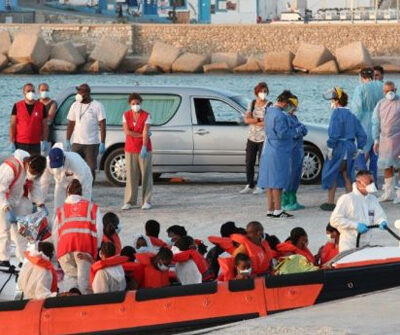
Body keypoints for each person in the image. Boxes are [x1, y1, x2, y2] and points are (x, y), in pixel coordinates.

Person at [52, 179, 103, 294]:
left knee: (71, 279)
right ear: (81, 192)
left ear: (67, 193)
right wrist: (97, 248)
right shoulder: (92, 207)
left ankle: (70, 306)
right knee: (84, 282)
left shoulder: (61, 210)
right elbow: (99, 229)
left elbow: (55, 233)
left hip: (64, 249)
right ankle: (86, 308)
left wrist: (58, 252)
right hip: (84, 248)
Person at [320, 87, 367, 211]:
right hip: (351, 148)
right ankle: (352, 203)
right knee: (347, 175)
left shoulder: (336, 114)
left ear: (336, 101)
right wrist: (360, 147)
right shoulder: (352, 115)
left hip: (339, 148)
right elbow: (362, 133)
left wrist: (330, 147)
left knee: (332, 174)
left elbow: (334, 133)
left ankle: (330, 202)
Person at [0, 151, 47, 266]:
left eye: (36, 174)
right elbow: (0, 190)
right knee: (4, 229)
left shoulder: (34, 170)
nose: (33, 175)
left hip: (17, 198)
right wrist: (6, 207)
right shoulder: (11, 167)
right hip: (2, 198)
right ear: (28, 164)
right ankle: (3, 258)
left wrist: (40, 204)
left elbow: (35, 188)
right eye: (32, 172)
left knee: (25, 228)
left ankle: (23, 257)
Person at [257, 90, 298, 218]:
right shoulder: (280, 115)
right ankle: (278, 210)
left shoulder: (269, 111)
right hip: (278, 150)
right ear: (285, 102)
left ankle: (270, 209)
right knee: (278, 182)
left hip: (269, 148)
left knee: (270, 181)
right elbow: (282, 134)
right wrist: (295, 131)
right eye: (289, 104)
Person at [330, 170, 388, 252]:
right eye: (368, 183)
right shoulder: (347, 199)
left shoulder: (372, 199)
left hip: (366, 245)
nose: (371, 185)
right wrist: (355, 225)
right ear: (358, 183)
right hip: (349, 245)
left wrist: (382, 221)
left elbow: (380, 216)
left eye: (372, 182)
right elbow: (334, 220)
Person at [66, 83, 107, 180]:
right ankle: (76, 188)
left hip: (92, 144)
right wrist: (68, 139)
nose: (78, 94)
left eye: (81, 92)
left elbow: (103, 125)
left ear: (87, 94)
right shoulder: (74, 105)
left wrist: (103, 142)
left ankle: (89, 189)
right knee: (74, 167)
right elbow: (71, 123)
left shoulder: (97, 105)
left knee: (90, 169)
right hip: (77, 143)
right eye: (78, 91)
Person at [351, 67, 384, 182]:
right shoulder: (381, 86)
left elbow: (357, 110)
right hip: (379, 123)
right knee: (374, 156)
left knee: (360, 155)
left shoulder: (360, 88)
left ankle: (365, 183)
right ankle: (373, 184)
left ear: (361, 77)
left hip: (364, 124)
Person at [121, 93, 153, 210]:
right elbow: (127, 132)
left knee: (146, 174)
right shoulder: (126, 115)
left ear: (141, 103)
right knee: (131, 175)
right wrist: (143, 135)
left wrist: (144, 146)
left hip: (144, 149)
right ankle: (129, 201)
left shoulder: (146, 115)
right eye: (133, 104)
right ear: (130, 104)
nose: (136, 106)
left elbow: (146, 131)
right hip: (130, 148)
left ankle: (146, 201)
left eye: (138, 103)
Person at [41, 145, 93, 212]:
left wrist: (72, 197)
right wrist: (40, 202)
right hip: (61, 182)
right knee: (58, 208)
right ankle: (57, 221)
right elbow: (44, 183)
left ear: (63, 158)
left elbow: (80, 182)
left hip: (84, 180)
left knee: (82, 206)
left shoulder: (75, 162)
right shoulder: (47, 163)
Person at [372, 81, 400, 203]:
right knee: (387, 166)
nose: (390, 93)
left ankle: (399, 194)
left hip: (398, 138)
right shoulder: (380, 104)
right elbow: (375, 123)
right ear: (383, 92)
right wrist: (376, 139)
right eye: (387, 91)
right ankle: (389, 193)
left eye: (392, 90)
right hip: (385, 140)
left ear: (396, 90)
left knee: (399, 166)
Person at [240, 82, 270, 195]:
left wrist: (254, 120)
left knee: (262, 163)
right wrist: (257, 120)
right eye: (261, 91)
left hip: (263, 138)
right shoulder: (252, 103)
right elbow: (246, 120)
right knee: (249, 161)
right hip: (252, 137)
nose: (263, 93)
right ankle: (249, 184)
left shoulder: (269, 105)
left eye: (265, 91)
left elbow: (267, 122)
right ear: (256, 92)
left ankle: (261, 185)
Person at [9, 83, 49, 156]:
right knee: (21, 165)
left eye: (33, 91)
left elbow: (45, 126)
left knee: (35, 166)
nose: (31, 93)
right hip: (20, 143)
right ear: (24, 92)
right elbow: (12, 125)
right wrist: (11, 141)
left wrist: (45, 140)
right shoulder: (17, 106)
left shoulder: (41, 106)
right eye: (28, 91)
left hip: (35, 144)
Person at [282, 99, 308, 211]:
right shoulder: (285, 118)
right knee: (290, 175)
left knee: (296, 176)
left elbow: (304, 130)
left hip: (298, 150)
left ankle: (293, 199)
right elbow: (289, 134)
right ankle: (285, 200)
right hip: (290, 151)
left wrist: (300, 130)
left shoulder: (294, 117)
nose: (294, 109)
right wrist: (298, 130)